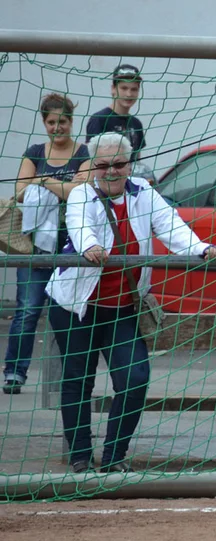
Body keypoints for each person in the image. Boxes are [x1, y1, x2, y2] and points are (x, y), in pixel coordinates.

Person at [45, 132, 216, 474]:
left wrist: (201, 249)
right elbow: (80, 227)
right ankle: (81, 456)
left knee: (136, 377)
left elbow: (172, 227)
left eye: (119, 164)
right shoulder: (82, 193)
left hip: (121, 308)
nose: (111, 171)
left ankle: (114, 456)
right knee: (78, 379)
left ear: (130, 164)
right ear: (93, 166)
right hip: (74, 307)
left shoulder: (143, 191)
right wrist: (90, 248)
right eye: (103, 165)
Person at [4, 93, 91, 395]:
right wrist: (59, 186)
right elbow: (18, 191)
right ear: (44, 122)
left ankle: (71, 373)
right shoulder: (34, 151)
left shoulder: (83, 153)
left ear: (71, 121)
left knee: (66, 312)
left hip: (71, 245)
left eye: (63, 121)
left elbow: (79, 191)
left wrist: (42, 182)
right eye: (51, 122)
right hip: (36, 248)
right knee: (28, 311)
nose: (57, 127)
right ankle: (14, 371)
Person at [85, 64, 146, 163]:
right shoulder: (99, 119)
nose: (129, 94)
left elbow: (137, 160)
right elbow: (90, 159)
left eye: (134, 89)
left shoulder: (136, 123)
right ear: (113, 88)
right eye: (124, 88)